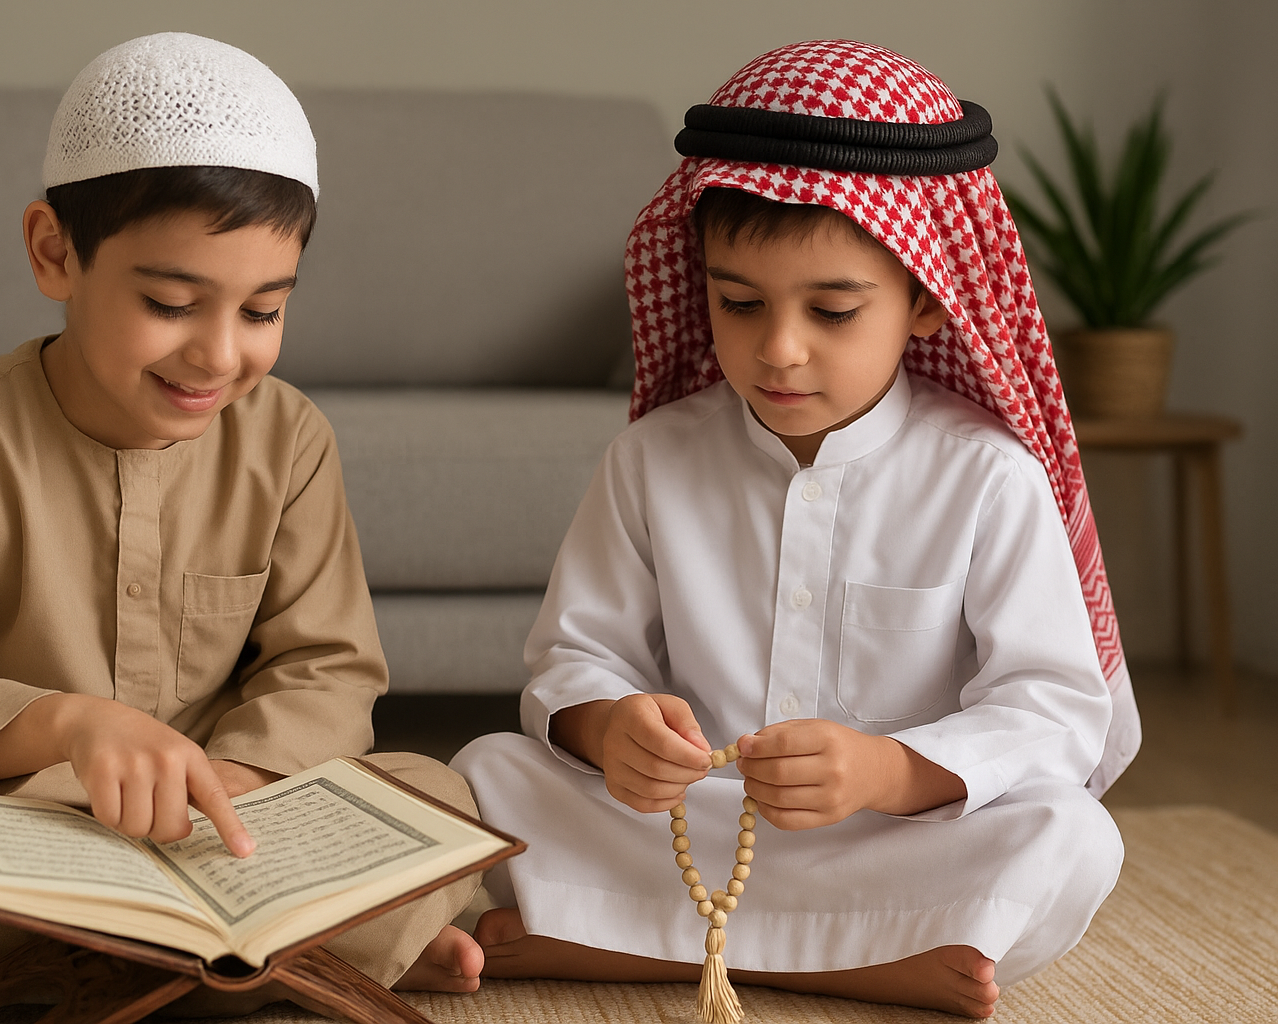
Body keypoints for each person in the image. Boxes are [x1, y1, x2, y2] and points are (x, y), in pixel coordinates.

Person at [0, 33, 483, 1019]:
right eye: (170, 302)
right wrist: (72, 727)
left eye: (264, 312)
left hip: (234, 823)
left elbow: (326, 667)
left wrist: (226, 786)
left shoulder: (290, 439)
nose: (219, 354)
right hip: (18, 819)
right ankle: (280, 967)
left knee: (438, 793)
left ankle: (12, 980)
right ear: (54, 251)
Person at [452, 39, 1141, 1019]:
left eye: (832, 309)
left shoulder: (986, 476)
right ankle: (850, 964)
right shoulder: (654, 459)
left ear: (927, 304)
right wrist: (610, 729)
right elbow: (573, 657)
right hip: (686, 823)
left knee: (1073, 833)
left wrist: (890, 770)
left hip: (894, 837)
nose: (779, 349)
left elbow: (1056, 710)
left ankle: (637, 941)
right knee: (485, 774)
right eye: (739, 303)